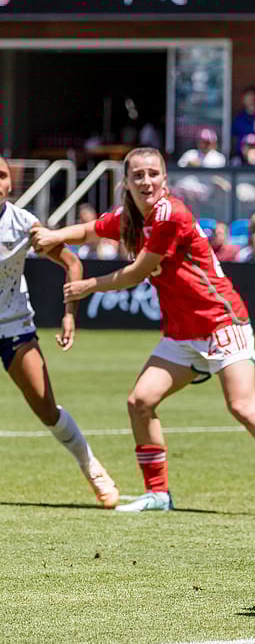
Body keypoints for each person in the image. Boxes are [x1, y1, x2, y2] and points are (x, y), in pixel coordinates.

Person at [33, 148, 255, 516]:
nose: (146, 181)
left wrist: (89, 286)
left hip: (221, 322)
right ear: (126, 182)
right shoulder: (132, 216)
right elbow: (89, 230)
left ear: (164, 179)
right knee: (140, 402)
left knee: (242, 405)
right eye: (138, 175)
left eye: (153, 174)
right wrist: (52, 235)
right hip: (181, 333)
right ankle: (158, 494)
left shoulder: (170, 214)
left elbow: (137, 272)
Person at [0, 157, 120, 509]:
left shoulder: (23, 224)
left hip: (13, 326)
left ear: (11, 184)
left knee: (45, 408)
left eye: (2, 175)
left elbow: (72, 263)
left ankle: (92, 467)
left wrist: (69, 313)